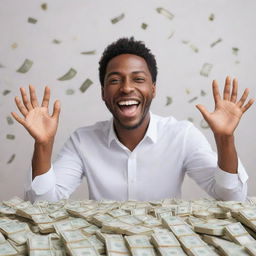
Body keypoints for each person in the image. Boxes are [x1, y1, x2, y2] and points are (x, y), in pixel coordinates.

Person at [12, 37, 254, 203]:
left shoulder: (182, 135)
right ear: (103, 92)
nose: (127, 88)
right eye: (115, 80)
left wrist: (225, 139)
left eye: (138, 79)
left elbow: (232, 199)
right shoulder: (82, 141)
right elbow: (42, 204)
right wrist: (42, 144)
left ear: (154, 89)